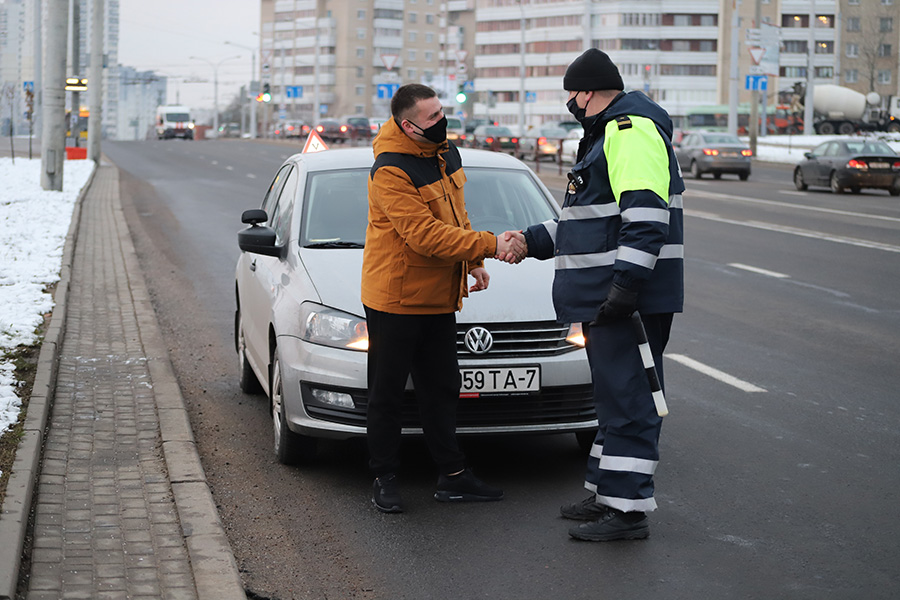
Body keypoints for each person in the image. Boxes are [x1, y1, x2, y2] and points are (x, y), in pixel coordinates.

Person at [507, 48, 685, 540]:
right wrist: (529, 241)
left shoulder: (629, 132)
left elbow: (646, 218)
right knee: (612, 397)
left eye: (572, 95)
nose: (572, 103)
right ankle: (607, 492)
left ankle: (626, 512)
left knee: (630, 400)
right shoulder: (607, 136)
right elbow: (586, 222)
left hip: (625, 300)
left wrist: (626, 287)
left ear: (588, 92)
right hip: (606, 297)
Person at [361, 83, 524, 513]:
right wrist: (491, 245)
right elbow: (424, 235)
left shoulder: (445, 153)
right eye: (432, 117)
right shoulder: (390, 171)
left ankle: (453, 476)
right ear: (406, 124)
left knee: (442, 389)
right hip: (395, 299)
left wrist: (473, 263)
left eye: (441, 112)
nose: (442, 121)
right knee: (388, 393)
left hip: (438, 297)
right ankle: (384, 477)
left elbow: (456, 213)